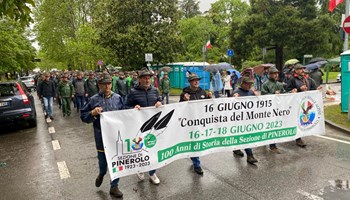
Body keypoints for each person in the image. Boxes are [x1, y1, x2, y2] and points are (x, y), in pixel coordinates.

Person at [80, 73, 124, 198]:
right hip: (101, 138)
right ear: (99, 85)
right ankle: (101, 174)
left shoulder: (118, 98)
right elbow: (83, 117)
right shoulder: (94, 99)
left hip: (116, 138)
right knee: (104, 164)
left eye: (109, 83)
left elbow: (125, 114)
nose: (107, 86)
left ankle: (114, 186)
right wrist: (92, 113)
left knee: (117, 162)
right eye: (104, 84)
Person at [126, 69, 162, 185]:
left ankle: (152, 173)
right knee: (140, 149)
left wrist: (159, 103)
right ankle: (140, 169)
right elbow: (125, 106)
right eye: (144, 78)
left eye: (148, 78)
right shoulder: (133, 92)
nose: (147, 80)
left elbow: (160, 101)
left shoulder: (155, 91)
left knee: (153, 148)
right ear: (139, 79)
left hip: (153, 126)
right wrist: (133, 108)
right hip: (138, 127)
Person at [180, 73, 212, 174]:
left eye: (197, 80)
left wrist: (209, 98)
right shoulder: (185, 93)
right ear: (190, 82)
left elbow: (207, 106)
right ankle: (197, 164)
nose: (196, 81)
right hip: (190, 122)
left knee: (199, 141)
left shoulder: (202, 91)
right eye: (194, 80)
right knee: (195, 142)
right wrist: (184, 100)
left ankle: (193, 157)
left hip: (201, 121)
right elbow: (180, 108)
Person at [261, 67, 297, 153]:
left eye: (277, 73)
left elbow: (283, 94)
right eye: (274, 73)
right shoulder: (265, 84)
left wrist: (291, 92)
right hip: (269, 110)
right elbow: (263, 96)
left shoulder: (280, 84)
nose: (276, 75)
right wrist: (273, 94)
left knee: (276, 126)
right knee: (269, 126)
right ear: (270, 74)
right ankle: (270, 144)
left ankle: (273, 145)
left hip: (278, 109)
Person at [286, 64, 322, 147]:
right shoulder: (292, 79)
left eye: (303, 69)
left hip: (305, 102)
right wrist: (298, 89)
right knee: (297, 120)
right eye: (300, 69)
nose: (302, 70)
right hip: (296, 103)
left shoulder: (307, 79)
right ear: (295, 71)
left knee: (303, 119)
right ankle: (298, 138)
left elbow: (311, 89)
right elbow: (287, 90)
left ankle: (300, 135)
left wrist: (317, 90)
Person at [232, 77, 258, 164]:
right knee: (245, 137)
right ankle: (250, 155)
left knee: (245, 136)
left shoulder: (251, 92)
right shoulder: (236, 92)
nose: (250, 85)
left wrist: (257, 96)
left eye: (251, 84)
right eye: (248, 84)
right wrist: (233, 99)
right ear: (243, 83)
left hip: (250, 118)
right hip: (239, 119)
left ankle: (236, 149)